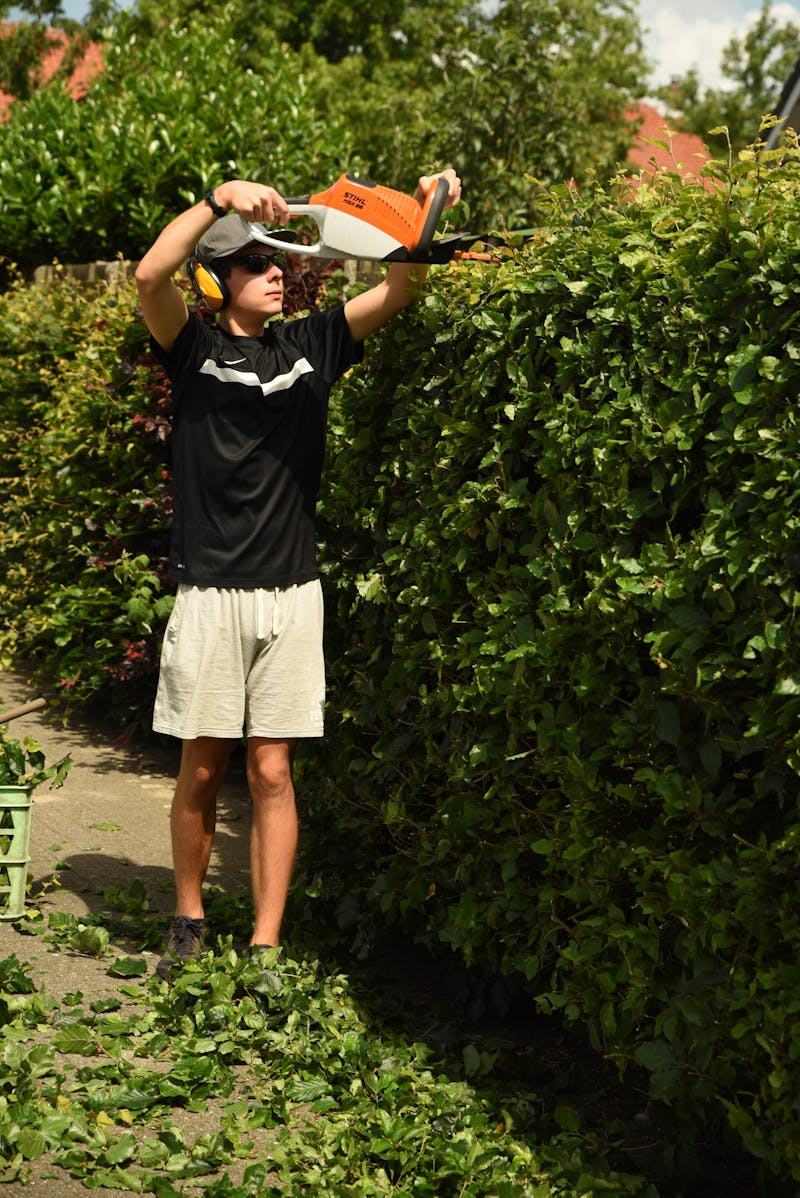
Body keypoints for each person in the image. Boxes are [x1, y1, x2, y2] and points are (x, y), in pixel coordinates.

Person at [134, 169, 461, 978]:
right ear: (219, 282)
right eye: (255, 263)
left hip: (291, 589)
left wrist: (427, 209)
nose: (278, 271)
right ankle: (188, 917)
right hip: (210, 589)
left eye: (278, 262)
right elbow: (148, 275)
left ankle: (267, 943)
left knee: (271, 769)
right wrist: (220, 200)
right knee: (202, 769)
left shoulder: (314, 343)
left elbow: (403, 284)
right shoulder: (194, 349)